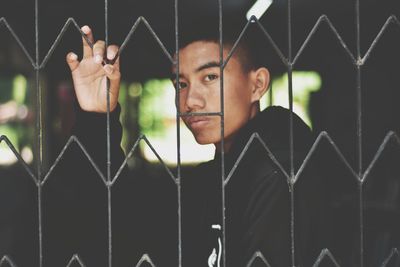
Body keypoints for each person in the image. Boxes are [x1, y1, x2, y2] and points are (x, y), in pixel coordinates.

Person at [62, 23, 325, 267]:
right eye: (181, 83)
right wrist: (96, 118)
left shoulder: (281, 173)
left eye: (210, 77)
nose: (191, 101)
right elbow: (128, 234)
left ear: (257, 84)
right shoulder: (211, 179)